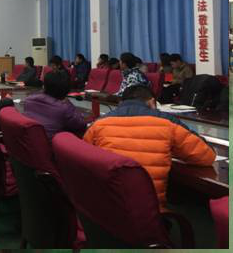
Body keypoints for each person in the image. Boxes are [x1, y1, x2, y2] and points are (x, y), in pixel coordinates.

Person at [84, 85, 215, 210]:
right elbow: (206, 157)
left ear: (121, 103)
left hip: (105, 206)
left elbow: (82, 157)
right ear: (152, 103)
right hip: (147, 210)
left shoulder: (98, 124)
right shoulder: (167, 123)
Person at [24, 71, 87, 139]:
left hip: (29, 140)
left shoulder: (29, 100)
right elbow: (81, 125)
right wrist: (68, 102)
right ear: (67, 90)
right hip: (50, 144)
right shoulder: (64, 108)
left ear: (44, 86)